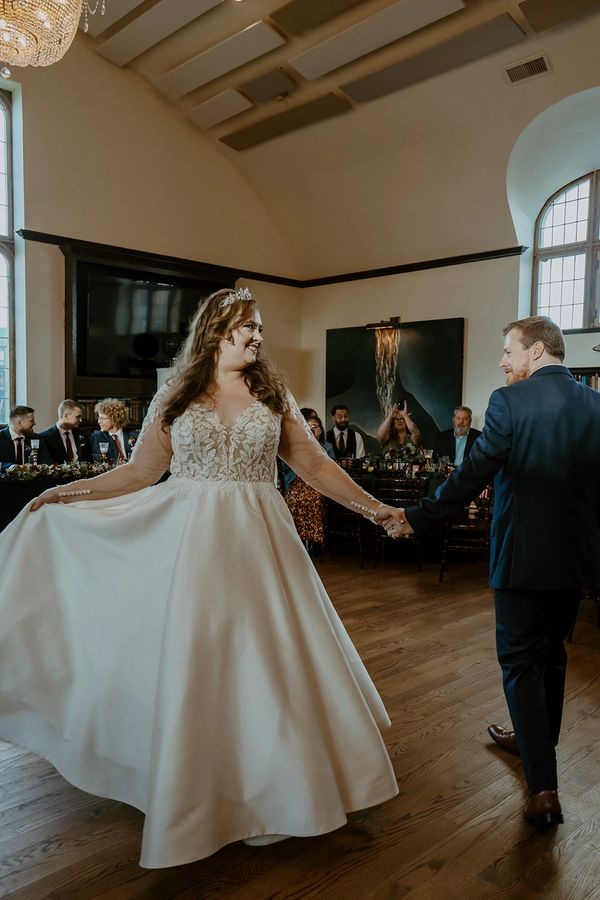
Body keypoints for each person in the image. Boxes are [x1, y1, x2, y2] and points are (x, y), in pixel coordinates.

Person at [0, 287, 399, 868]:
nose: (258, 336)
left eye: (259, 327)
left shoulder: (272, 392)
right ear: (216, 330)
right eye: (248, 326)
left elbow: (313, 465)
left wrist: (376, 508)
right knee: (200, 663)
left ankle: (278, 790)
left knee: (268, 662)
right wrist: (67, 492)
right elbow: (139, 474)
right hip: (192, 546)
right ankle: (196, 792)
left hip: (263, 544)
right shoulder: (178, 392)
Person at [378, 316, 600, 832]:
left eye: (508, 351)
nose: (502, 362)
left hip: (522, 558)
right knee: (553, 655)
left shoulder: (508, 403)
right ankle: (530, 741)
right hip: (575, 562)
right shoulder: (596, 406)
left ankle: (543, 785)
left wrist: (418, 517)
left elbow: (474, 472)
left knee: (521, 662)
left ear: (537, 352)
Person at [283, 414, 335, 548]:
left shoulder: (327, 446)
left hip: (317, 483)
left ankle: (313, 540)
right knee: (293, 498)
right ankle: (296, 538)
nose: (312, 429)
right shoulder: (295, 445)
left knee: (315, 499)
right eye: (309, 426)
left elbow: (332, 466)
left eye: (315, 427)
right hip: (298, 481)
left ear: (321, 430)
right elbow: (285, 466)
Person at [38, 400, 92, 464]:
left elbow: (88, 459)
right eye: (78, 417)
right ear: (66, 416)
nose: (80, 420)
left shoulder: (83, 434)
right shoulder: (45, 437)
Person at [0, 404, 51, 470]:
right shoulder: (1, 437)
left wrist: (41, 467)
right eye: (31, 420)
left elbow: (47, 462)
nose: (34, 423)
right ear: (19, 423)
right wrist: (13, 467)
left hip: (33, 479)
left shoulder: (36, 438)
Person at [91, 398, 139, 463]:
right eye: (99, 418)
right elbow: (98, 462)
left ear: (115, 419)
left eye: (102, 418)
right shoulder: (97, 437)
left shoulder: (134, 435)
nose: (99, 422)